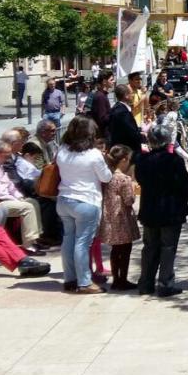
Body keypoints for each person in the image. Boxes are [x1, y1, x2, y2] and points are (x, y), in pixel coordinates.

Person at [54, 115, 113, 295]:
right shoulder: (93, 155)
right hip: (86, 202)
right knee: (82, 243)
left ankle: (70, 279)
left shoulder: (62, 151)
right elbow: (106, 177)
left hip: (64, 199)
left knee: (68, 240)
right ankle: (84, 282)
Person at [136, 123, 188, 297]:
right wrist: (181, 202)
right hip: (170, 210)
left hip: (150, 209)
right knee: (168, 247)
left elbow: (140, 180)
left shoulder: (142, 160)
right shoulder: (174, 160)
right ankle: (165, 283)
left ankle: (146, 283)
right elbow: (185, 184)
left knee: (150, 247)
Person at [0, 141, 48, 251]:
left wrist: (18, 196)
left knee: (32, 202)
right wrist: (16, 200)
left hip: (4, 197)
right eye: (7, 155)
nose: (9, 158)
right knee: (27, 207)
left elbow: (9, 184)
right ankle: (28, 245)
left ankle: (35, 239)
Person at [99, 145, 140, 291]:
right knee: (125, 249)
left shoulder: (107, 177)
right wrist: (134, 190)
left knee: (115, 250)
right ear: (123, 160)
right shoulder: (124, 179)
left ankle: (116, 278)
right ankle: (122, 279)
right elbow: (129, 200)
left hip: (110, 217)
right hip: (122, 218)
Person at [106, 84, 144, 158]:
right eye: (131, 93)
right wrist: (142, 137)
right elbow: (131, 133)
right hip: (126, 151)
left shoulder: (116, 108)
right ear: (126, 95)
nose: (132, 95)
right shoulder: (123, 112)